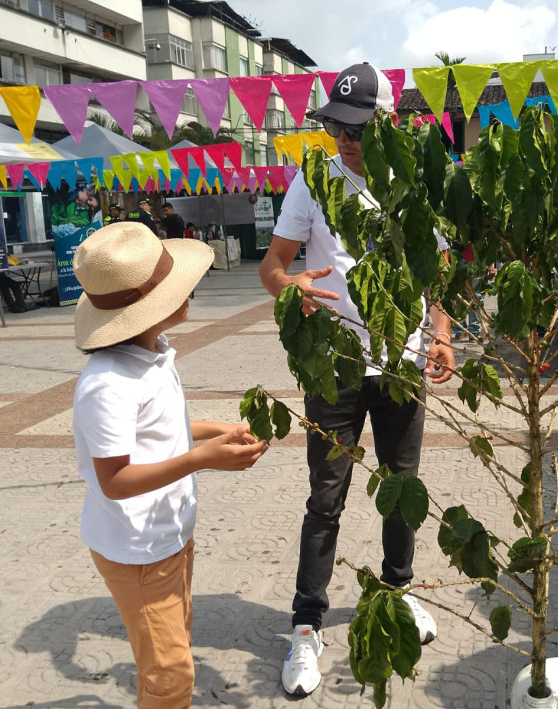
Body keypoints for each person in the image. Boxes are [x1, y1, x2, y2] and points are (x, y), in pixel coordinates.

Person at [259, 62, 456, 698]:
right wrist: (293, 289)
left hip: (401, 363)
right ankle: (307, 626)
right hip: (337, 364)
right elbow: (273, 267)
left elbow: (439, 273)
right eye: (336, 126)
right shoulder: (312, 182)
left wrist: (444, 334)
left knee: (403, 485)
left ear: (385, 126)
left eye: (357, 127)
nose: (345, 138)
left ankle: (398, 592)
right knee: (327, 496)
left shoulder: (415, 186)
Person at [71, 222, 269, 708]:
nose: (192, 289)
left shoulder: (151, 354)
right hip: (136, 548)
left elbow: (163, 428)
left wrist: (216, 430)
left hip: (168, 535)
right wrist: (202, 458)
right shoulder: (109, 383)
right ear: (144, 309)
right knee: (170, 672)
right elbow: (114, 480)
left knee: (172, 641)